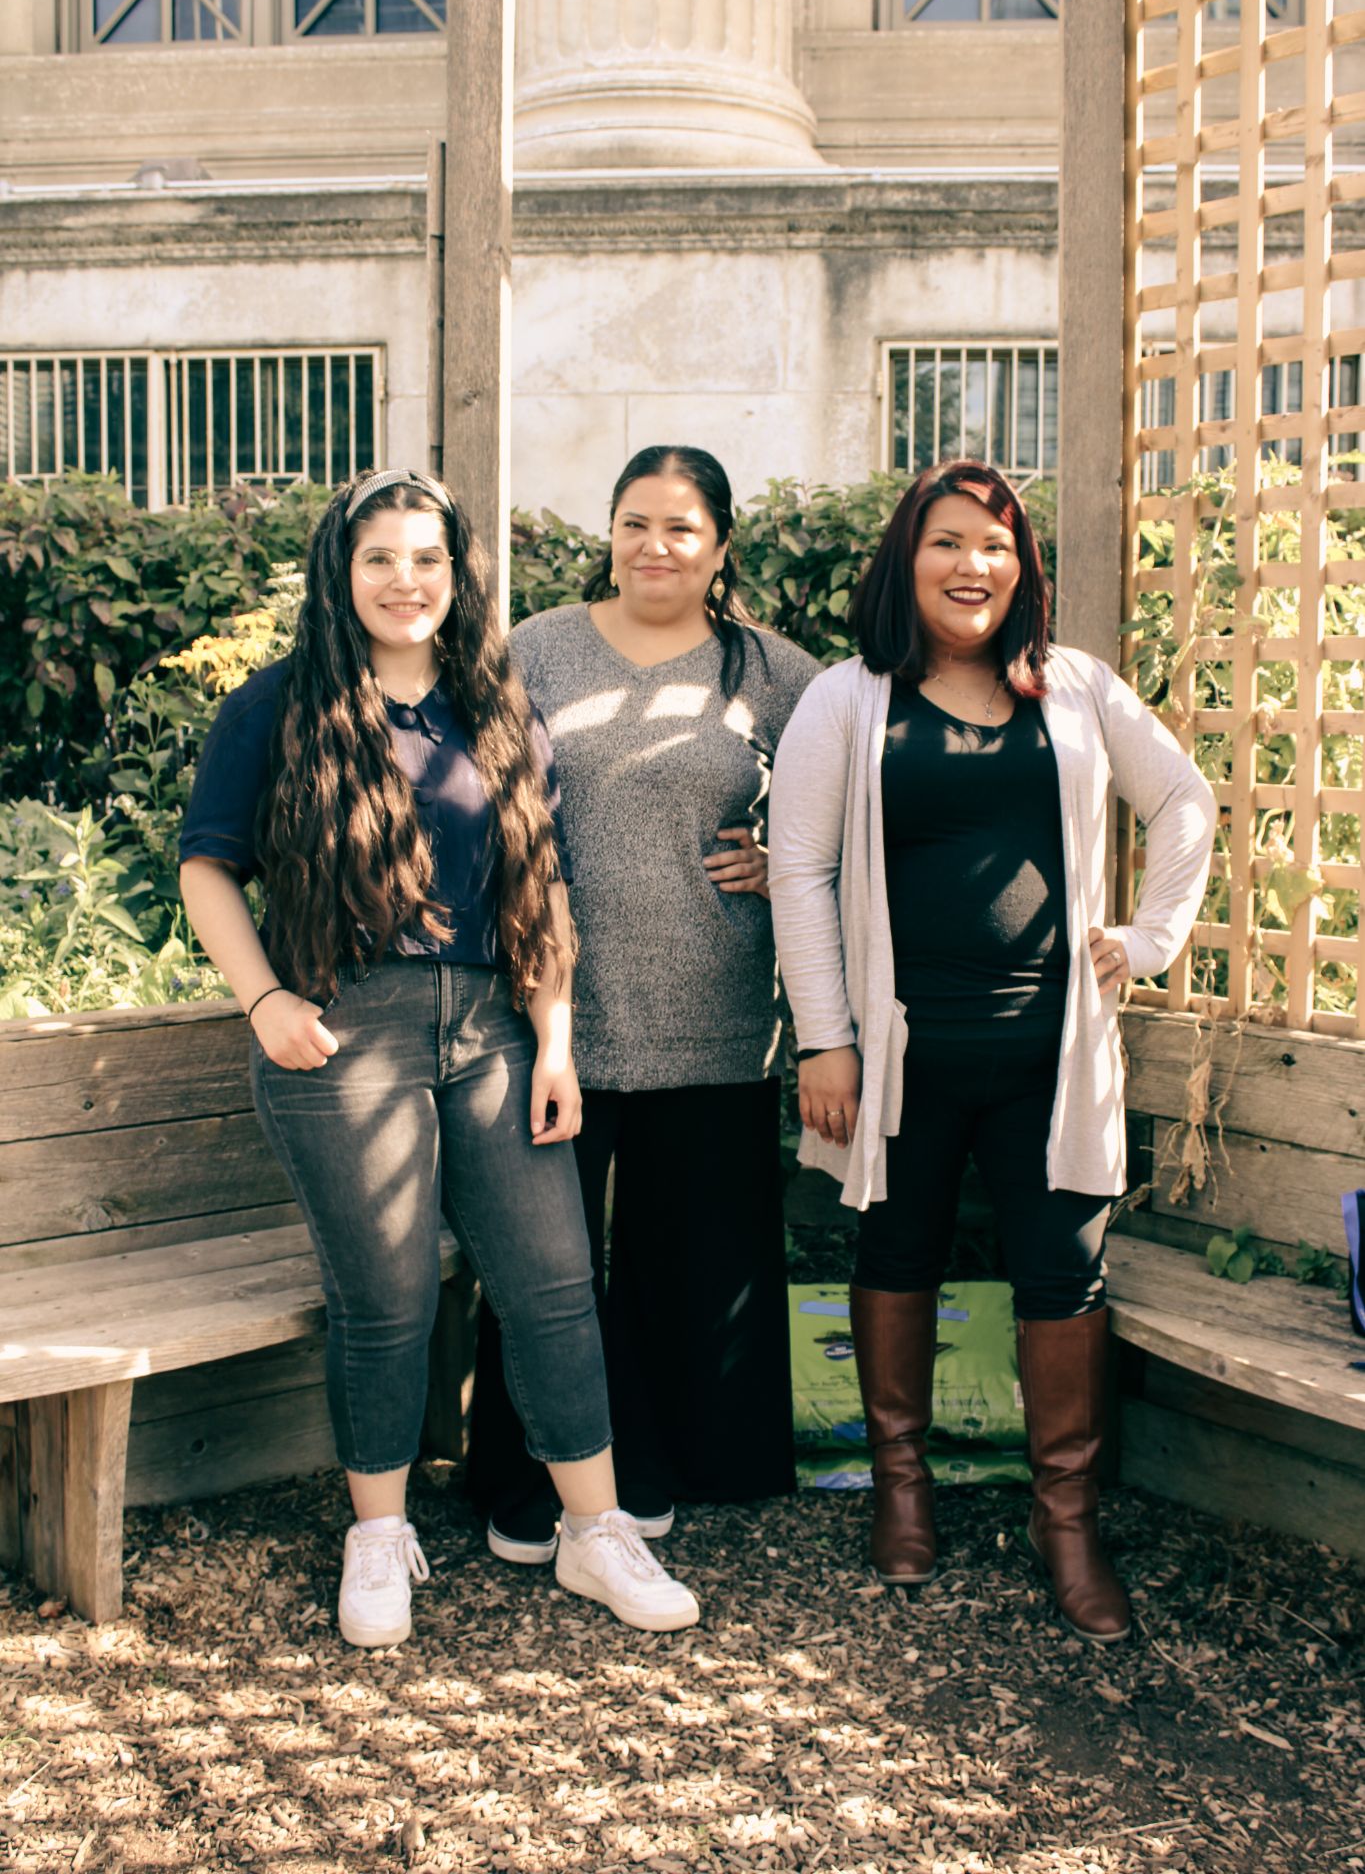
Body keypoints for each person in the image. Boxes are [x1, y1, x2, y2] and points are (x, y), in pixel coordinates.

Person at [179, 468, 701, 1647]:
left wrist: (556, 1040)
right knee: (389, 1298)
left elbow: (540, 882)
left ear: (458, 574)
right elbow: (206, 863)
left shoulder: (495, 706)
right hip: (345, 1027)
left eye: (428, 558)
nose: (405, 581)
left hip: (494, 1031)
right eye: (380, 559)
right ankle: (378, 1536)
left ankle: (594, 1530)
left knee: (555, 1283)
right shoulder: (276, 707)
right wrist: (261, 996)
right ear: (341, 572)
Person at [767, 459, 1215, 1645]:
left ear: (1023, 568)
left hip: (1053, 1055)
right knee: (897, 1250)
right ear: (906, 561)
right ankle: (901, 1488)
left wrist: (1151, 935)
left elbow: (1183, 798)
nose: (974, 564)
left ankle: (1065, 1522)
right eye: (948, 541)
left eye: (998, 545)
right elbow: (799, 869)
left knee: (1063, 1277)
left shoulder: (1072, 687)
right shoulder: (849, 698)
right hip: (902, 1056)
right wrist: (827, 1038)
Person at [465, 445, 819, 1562]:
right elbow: (485, 805)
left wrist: (783, 856)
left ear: (720, 545)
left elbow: (849, 806)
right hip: (555, 1013)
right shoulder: (539, 649)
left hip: (717, 1009)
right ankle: (531, 1475)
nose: (654, 545)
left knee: (697, 1256)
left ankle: (681, 1460)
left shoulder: (774, 670)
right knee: (546, 1261)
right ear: (607, 534)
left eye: (679, 526)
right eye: (633, 523)